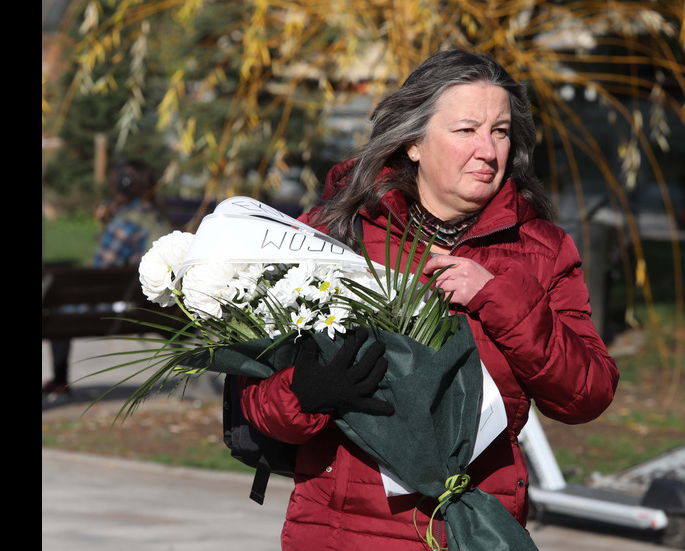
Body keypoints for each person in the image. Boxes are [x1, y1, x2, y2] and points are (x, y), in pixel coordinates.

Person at [238, 49, 619, 549]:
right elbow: (259, 407)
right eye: (466, 130)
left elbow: (586, 394)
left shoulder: (542, 249)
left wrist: (497, 296)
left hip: (473, 529)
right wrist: (307, 393)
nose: (488, 150)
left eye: (500, 132)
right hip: (342, 534)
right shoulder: (333, 234)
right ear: (414, 142)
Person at [42, 159, 172, 397]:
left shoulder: (126, 223)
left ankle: (60, 380)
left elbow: (99, 272)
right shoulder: (160, 219)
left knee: (55, 310)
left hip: (121, 306)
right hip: (160, 307)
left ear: (123, 185)